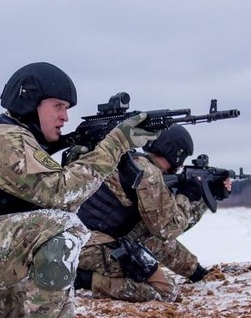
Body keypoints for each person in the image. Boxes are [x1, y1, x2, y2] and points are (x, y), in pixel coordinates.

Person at [0, 62, 158, 317]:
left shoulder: (19, 139)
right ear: (29, 102)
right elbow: (60, 197)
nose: (65, 117)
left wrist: (82, 158)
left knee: (55, 272)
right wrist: (115, 145)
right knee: (62, 227)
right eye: (58, 106)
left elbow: (57, 202)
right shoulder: (3, 138)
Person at [73, 125, 232, 302]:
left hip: (83, 241)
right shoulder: (149, 174)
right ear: (176, 153)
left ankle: (194, 271)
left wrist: (196, 272)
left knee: (148, 236)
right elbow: (169, 229)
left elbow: (158, 237)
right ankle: (83, 279)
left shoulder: (131, 162)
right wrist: (186, 195)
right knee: (165, 292)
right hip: (88, 248)